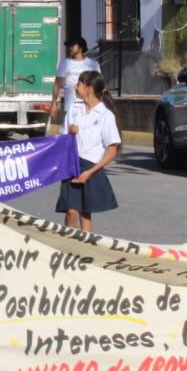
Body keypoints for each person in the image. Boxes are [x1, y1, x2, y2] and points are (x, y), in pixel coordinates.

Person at [56, 70, 121, 233]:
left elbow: (112, 151)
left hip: (91, 167)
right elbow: (62, 138)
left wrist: (90, 172)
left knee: (85, 214)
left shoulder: (105, 115)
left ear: (89, 89)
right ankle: (68, 245)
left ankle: (84, 247)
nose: (75, 86)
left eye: (79, 83)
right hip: (71, 164)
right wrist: (69, 131)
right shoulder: (74, 108)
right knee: (70, 211)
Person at [50, 36, 101, 129]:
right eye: (69, 46)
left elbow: (99, 86)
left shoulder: (93, 64)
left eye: (72, 46)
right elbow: (57, 84)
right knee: (69, 135)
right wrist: (54, 103)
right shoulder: (65, 63)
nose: (69, 48)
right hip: (71, 109)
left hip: (89, 109)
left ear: (80, 48)